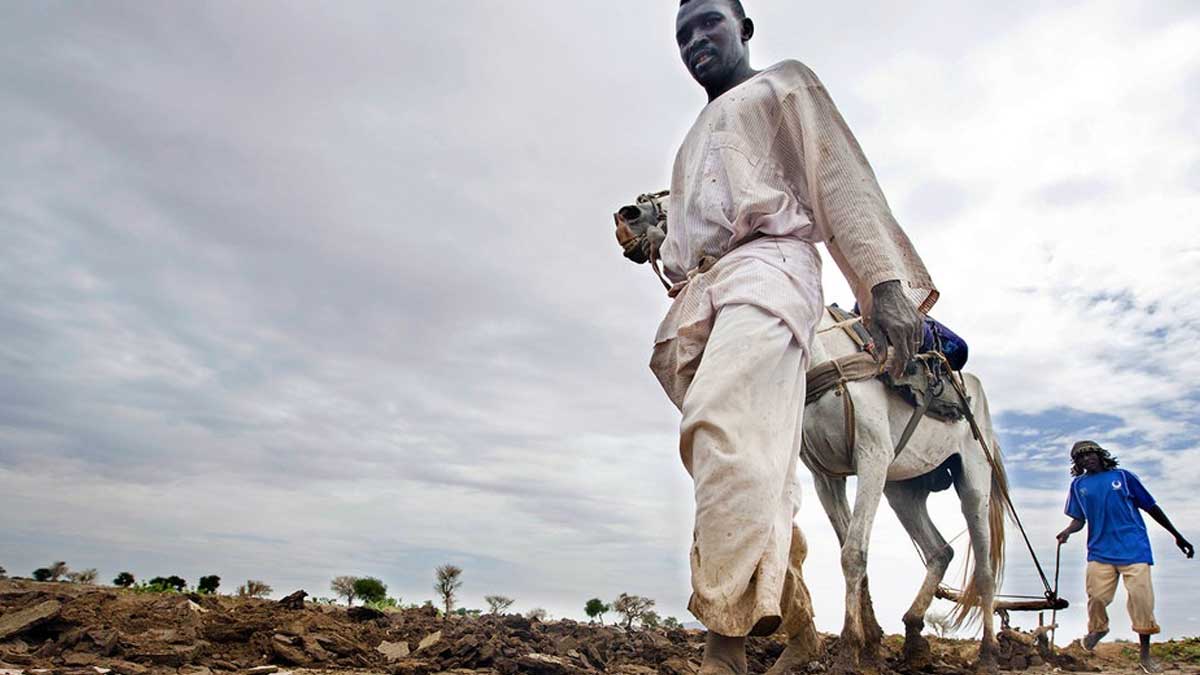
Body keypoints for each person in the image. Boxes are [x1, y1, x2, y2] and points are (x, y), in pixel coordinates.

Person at [639, 1, 937, 672]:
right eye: (682, 33)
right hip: (703, 295)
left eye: (709, 21)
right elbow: (690, 236)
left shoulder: (784, 85)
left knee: (722, 426)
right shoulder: (690, 142)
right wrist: (657, 242)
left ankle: (725, 645)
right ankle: (798, 620)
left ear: (744, 28)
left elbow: (839, 178)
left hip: (768, 271)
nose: (694, 39)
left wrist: (883, 282)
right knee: (748, 463)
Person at [1056, 440, 1193, 674]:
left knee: (1141, 600)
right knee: (1096, 597)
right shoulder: (1078, 485)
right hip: (1100, 550)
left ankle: (1145, 656)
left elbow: (1151, 507)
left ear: (1100, 456)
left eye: (1091, 454)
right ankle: (1098, 629)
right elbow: (1079, 519)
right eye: (1081, 457)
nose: (1087, 459)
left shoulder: (1124, 477)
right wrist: (1068, 531)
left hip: (1134, 549)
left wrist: (1177, 535)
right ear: (1077, 463)